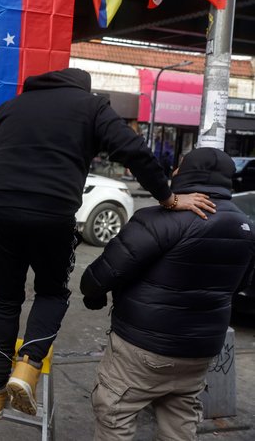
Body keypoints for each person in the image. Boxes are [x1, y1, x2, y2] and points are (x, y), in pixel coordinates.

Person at [0, 68, 215, 419]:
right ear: (83, 87)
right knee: (51, 292)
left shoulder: (12, 107)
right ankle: (28, 367)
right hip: (52, 212)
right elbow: (133, 150)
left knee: (6, 298)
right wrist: (168, 198)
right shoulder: (91, 107)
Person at [80, 148, 255, 440]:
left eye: (179, 167)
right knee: (180, 422)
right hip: (201, 350)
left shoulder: (157, 219)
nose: (173, 171)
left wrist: (94, 297)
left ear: (187, 174)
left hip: (142, 347)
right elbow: (237, 287)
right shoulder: (246, 228)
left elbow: (100, 275)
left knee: (116, 416)